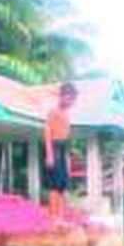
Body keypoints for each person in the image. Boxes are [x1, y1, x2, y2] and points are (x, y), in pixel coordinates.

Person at [44, 82, 78, 220]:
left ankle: (60, 216)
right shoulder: (53, 111)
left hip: (64, 149)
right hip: (55, 147)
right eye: (69, 98)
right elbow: (47, 133)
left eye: (73, 99)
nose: (71, 102)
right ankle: (53, 218)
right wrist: (50, 154)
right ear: (62, 96)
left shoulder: (67, 114)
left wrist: (68, 159)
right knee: (55, 185)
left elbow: (67, 138)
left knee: (63, 184)